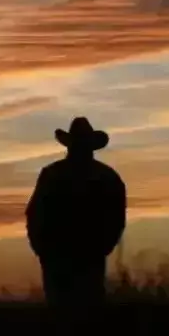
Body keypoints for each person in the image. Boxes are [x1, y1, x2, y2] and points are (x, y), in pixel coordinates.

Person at [25, 117, 127, 311]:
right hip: (80, 257)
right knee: (87, 309)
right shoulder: (107, 177)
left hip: (65, 257)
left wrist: (43, 249)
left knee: (63, 309)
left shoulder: (52, 174)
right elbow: (117, 219)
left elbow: (34, 214)